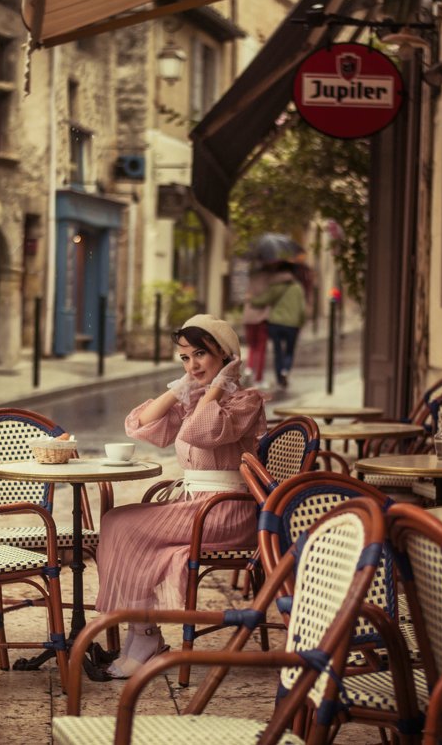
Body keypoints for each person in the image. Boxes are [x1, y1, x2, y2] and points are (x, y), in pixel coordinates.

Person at [93, 314, 268, 679]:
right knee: (116, 522)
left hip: (226, 510)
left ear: (227, 356)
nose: (192, 365)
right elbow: (141, 424)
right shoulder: (196, 400)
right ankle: (141, 636)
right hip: (197, 505)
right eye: (185, 358)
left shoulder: (246, 401)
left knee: (124, 526)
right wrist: (183, 386)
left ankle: (143, 639)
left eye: (200, 354)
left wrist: (219, 386)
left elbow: (199, 432)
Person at [249, 262, 306, 389]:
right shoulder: (297, 287)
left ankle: (279, 378)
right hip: (292, 324)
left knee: (277, 351)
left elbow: (264, 300)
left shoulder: (275, 286)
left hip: (275, 323)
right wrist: (301, 323)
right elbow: (302, 308)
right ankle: (285, 370)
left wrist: (252, 300)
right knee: (289, 350)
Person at [242, 266, 271, 388]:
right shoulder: (268, 281)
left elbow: (247, 297)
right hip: (261, 318)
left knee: (252, 346)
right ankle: (259, 379)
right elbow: (268, 300)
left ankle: (249, 368)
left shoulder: (251, 278)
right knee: (261, 349)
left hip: (248, 317)